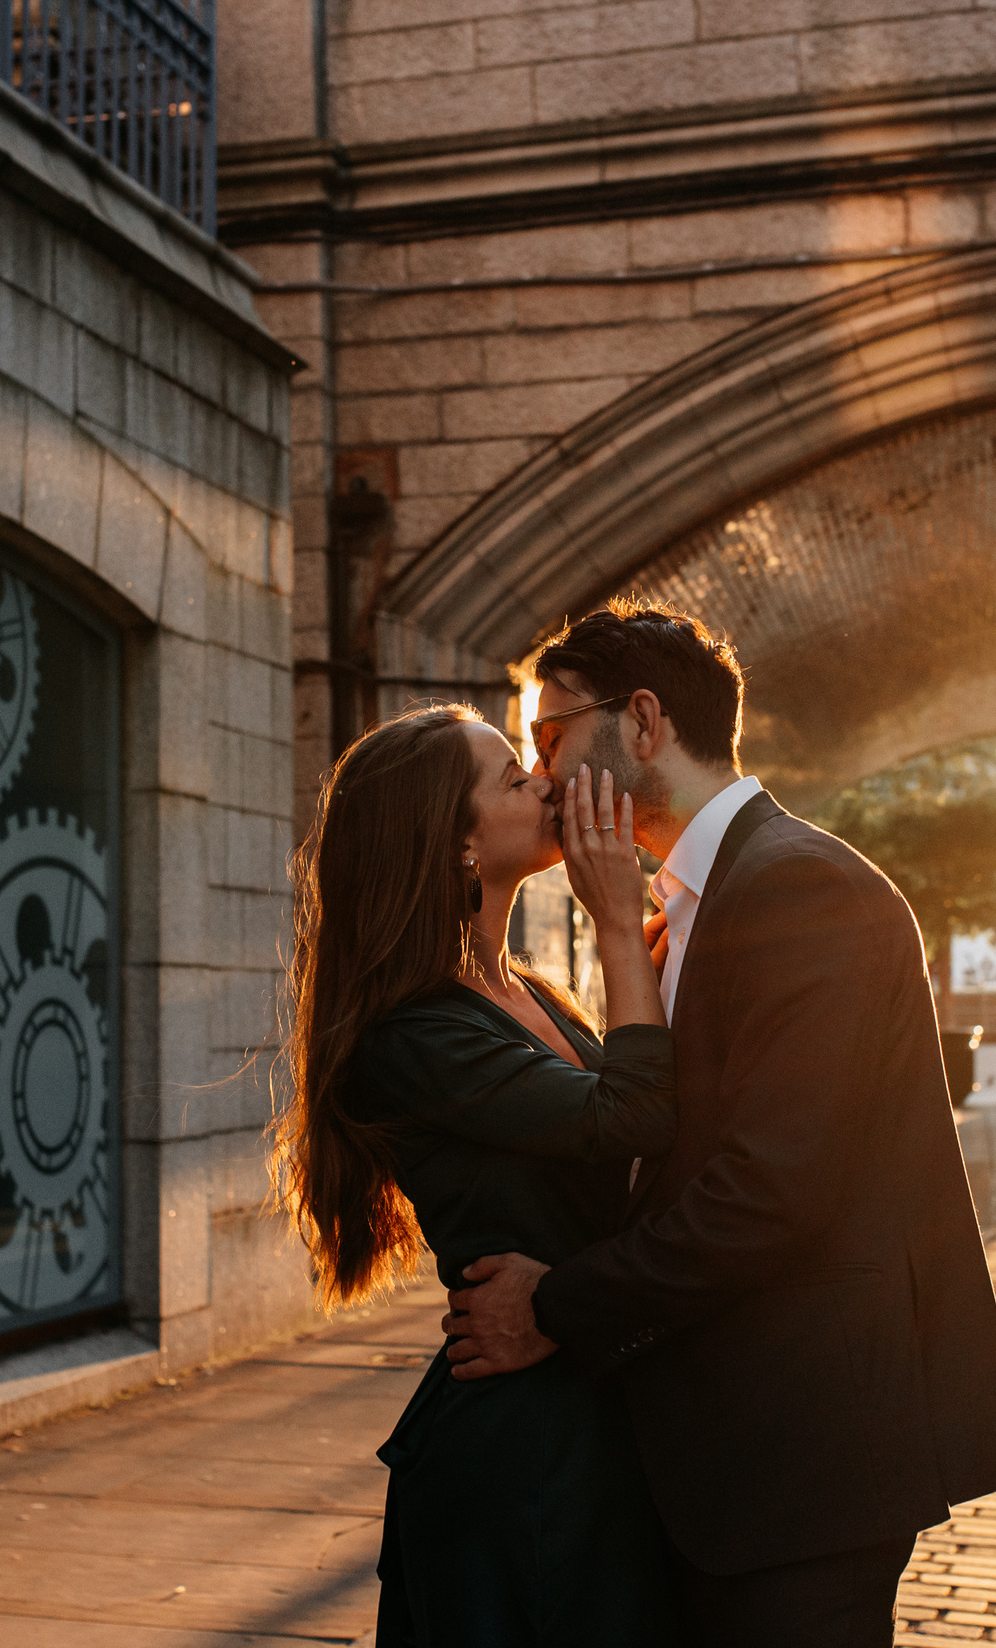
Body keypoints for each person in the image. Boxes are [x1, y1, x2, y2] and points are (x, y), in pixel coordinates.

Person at [442, 601, 996, 1646]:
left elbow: (770, 1192)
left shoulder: (803, 887)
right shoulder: (677, 902)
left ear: (642, 721)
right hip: (712, 1457)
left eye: (549, 734)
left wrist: (560, 1304)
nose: (539, 773)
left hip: (799, 1464)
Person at [277, 704, 683, 1646]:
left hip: (586, 1416)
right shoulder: (415, 1031)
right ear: (456, 843)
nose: (544, 782)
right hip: (520, 1461)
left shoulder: (529, 989)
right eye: (511, 778)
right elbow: (632, 1118)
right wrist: (621, 925)